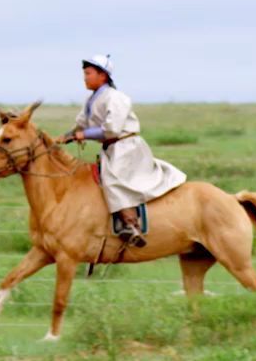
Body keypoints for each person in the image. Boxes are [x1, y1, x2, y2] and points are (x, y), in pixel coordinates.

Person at [59, 54, 186, 248]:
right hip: (111, 148)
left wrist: (83, 135)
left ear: (103, 75)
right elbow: (81, 125)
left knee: (113, 180)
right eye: (85, 74)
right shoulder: (91, 99)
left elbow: (112, 129)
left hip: (126, 147)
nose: (85, 78)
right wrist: (64, 137)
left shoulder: (116, 98)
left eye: (88, 73)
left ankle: (131, 226)